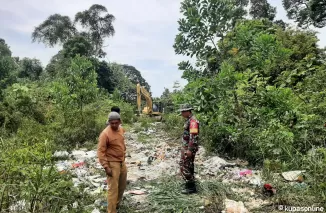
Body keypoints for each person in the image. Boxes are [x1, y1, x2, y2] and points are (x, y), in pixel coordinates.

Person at [97, 112, 127, 213]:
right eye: (112, 123)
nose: (114, 125)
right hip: (112, 163)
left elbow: (122, 143)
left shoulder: (121, 129)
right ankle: (111, 211)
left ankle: (117, 205)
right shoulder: (105, 134)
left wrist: (124, 155)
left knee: (122, 186)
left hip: (121, 162)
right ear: (109, 122)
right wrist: (106, 167)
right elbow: (101, 151)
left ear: (119, 122)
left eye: (116, 123)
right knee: (113, 190)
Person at [179, 104, 199, 194]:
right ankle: (190, 184)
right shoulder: (189, 120)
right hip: (187, 147)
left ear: (188, 111)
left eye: (183, 111)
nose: (181, 113)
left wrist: (190, 150)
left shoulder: (193, 121)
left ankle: (191, 187)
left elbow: (193, 136)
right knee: (189, 166)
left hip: (189, 148)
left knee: (184, 166)